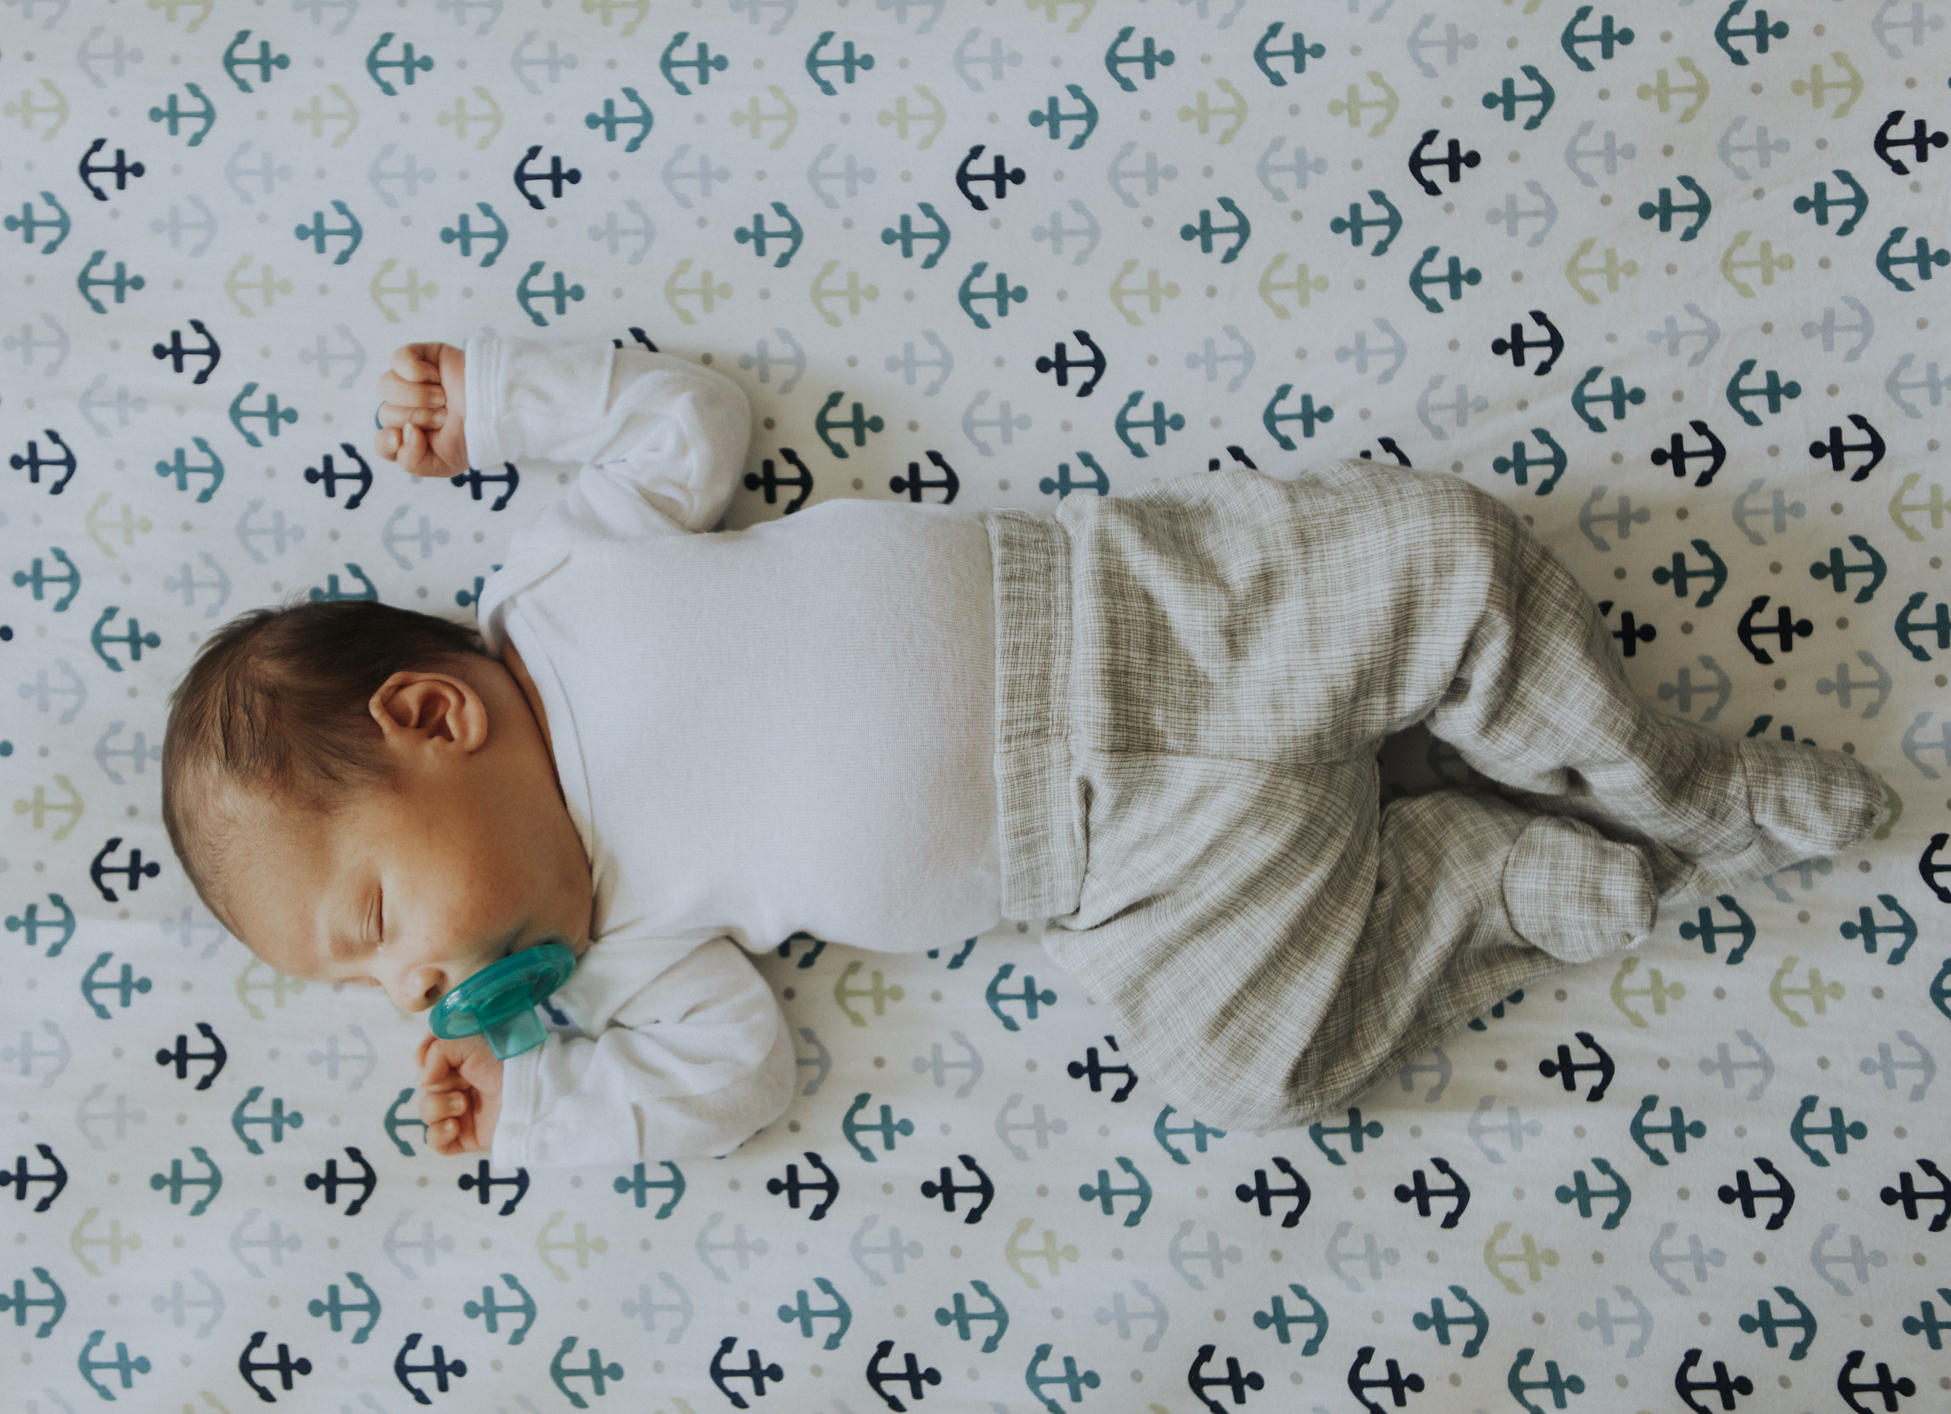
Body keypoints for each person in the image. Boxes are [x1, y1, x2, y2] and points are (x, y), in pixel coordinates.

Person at [159, 337, 1888, 1168]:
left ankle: (1689, 783)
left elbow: (695, 423)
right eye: (368, 980)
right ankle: (1468, 879)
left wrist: (503, 407)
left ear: (431, 716)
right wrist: (544, 1091)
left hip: (1141, 614)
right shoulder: (622, 960)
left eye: (374, 912)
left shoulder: (559, 573)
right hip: (1126, 871)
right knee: (1245, 1063)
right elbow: (737, 1083)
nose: (408, 986)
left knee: (1446, 552)